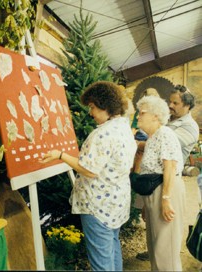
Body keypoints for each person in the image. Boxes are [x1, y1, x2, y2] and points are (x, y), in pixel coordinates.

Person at [39, 81, 137, 271]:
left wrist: (61, 155)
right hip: (116, 203)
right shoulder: (123, 128)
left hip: (98, 206)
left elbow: (89, 169)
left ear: (105, 105)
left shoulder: (103, 134)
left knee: (101, 262)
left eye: (92, 107)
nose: (90, 113)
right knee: (113, 248)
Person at [136, 84, 200, 261]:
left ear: (187, 106)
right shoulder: (168, 125)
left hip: (167, 185)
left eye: (175, 102)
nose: (170, 105)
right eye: (169, 102)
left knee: (165, 249)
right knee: (157, 242)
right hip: (156, 185)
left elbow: (167, 160)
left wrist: (165, 199)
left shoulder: (187, 128)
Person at [136, 95, 185, 271]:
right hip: (156, 193)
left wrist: (165, 199)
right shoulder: (153, 137)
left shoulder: (165, 134)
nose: (137, 116)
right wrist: (145, 205)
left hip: (166, 190)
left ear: (155, 116)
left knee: (166, 251)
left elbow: (170, 166)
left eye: (142, 113)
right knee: (156, 246)